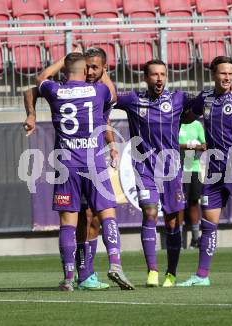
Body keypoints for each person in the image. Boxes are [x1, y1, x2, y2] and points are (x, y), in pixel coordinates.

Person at [23, 48, 133, 291]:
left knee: (67, 222)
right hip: (94, 164)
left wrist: (63, 61)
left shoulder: (55, 90)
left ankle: (68, 278)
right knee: (107, 213)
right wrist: (103, 72)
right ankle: (115, 263)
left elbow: (38, 80)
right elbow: (113, 94)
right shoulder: (98, 90)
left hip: (66, 165)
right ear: (85, 70)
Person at [178, 56, 232, 287]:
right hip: (214, 168)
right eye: (223, 73)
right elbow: (189, 116)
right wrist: (176, 118)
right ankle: (202, 275)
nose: (227, 77)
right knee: (209, 222)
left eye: (230, 73)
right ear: (213, 74)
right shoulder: (205, 97)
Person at [114, 59, 196, 287]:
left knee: (172, 222)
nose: (159, 78)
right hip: (145, 169)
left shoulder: (178, 98)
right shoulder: (133, 100)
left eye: (162, 74)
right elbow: (107, 98)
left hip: (170, 171)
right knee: (149, 214)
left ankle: (171, 273)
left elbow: (199, 105)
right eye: (154, 75)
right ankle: (152, 271)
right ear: (145, 77)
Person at [178, 119, 206, 249]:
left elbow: (205, 144)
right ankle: (177, 239)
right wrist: (192, 147)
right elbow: (174, 144)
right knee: (179, 204)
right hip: (179, 168)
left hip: (194, 168)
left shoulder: (197, 125)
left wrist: (201, 146)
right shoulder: (177, 123)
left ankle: (195, 239)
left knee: (194, 202)